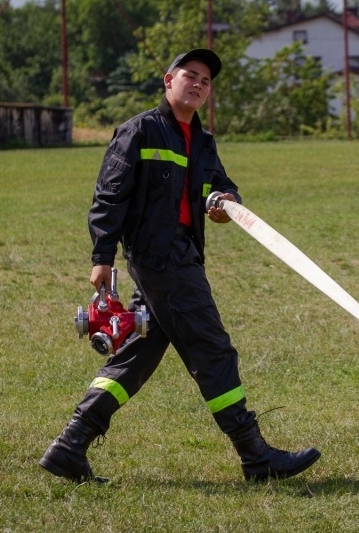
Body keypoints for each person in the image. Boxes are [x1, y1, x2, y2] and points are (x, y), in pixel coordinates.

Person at [39, 49, 320, 483]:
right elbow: (109, 197)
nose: (198, 84)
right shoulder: (139, 130)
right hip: (161, 261)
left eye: (206, 81)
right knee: (212, 350)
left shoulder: (203, 142)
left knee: (136, 354)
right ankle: (255, 455)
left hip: (182, 256)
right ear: (168, 80)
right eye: (191, 75)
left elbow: (222, 185)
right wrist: (102, 257)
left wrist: (226, 202)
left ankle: (70, 446)